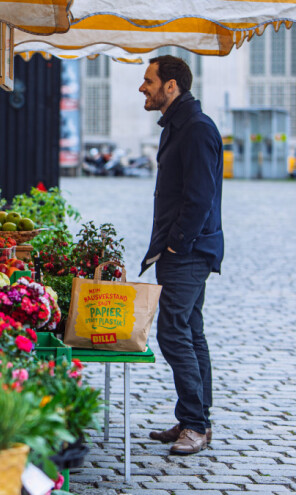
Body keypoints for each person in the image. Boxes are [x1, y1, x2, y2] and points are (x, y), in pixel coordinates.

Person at [138, 55, 224, 455]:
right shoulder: (180, 125)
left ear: (170, 86)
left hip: (188, 251)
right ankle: (196, 418)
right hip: (184, 249)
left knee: (173, 333)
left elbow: (200, 198)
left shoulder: (196, 128)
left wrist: (176, 243)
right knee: (190, 331)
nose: (143, 87)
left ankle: (195, 424)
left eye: (149, 80)